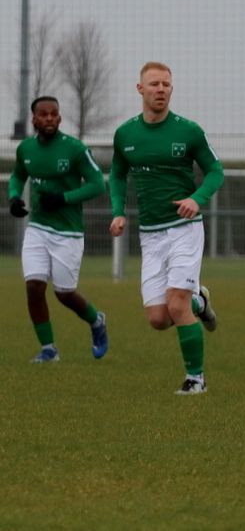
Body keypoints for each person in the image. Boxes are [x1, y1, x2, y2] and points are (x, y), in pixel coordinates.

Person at [109, 62, 222, 395]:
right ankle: (199, 302)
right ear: (140, 89)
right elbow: (117, 175)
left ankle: (196, 379)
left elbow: (215, 171)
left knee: (176, 305)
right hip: (151, 233)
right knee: (158, 318)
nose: (161, 89)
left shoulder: (189, 131)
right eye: (154, 84)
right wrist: (118, 212)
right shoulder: (125, 134)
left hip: (185, 229)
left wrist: (197, 199)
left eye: (166, 84)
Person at [8, 96, 108, 363]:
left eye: (54, 113)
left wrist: (63, 198)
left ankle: (96, 320)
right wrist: (14, 197)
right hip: (38, 228)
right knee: (34, 287)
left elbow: (98, 184)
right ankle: (49, 349)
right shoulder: (26, 149)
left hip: (68, 232)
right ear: (34, 119)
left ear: (60, 117)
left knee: (64, 293)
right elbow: (18, 175)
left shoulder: (74, 149)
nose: (50, 118)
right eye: (44, 114)